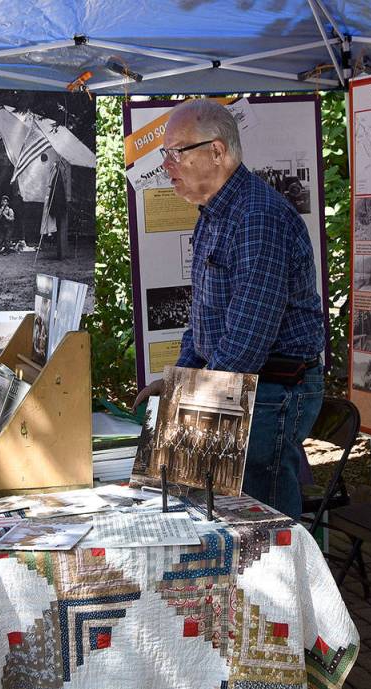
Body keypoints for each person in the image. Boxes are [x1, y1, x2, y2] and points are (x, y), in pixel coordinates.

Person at [134, 99, 325, 519]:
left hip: (271, 390)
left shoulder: (258, 216)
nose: (167, 164)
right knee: (216, 516)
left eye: (176, 152)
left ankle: (284, 585)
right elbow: (202, 319)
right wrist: (176, 381)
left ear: (216, 152)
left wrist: (187, 404)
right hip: (240, 384)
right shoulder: (214, 213)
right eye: (164, 154)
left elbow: (246, 337)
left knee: (262, 519)